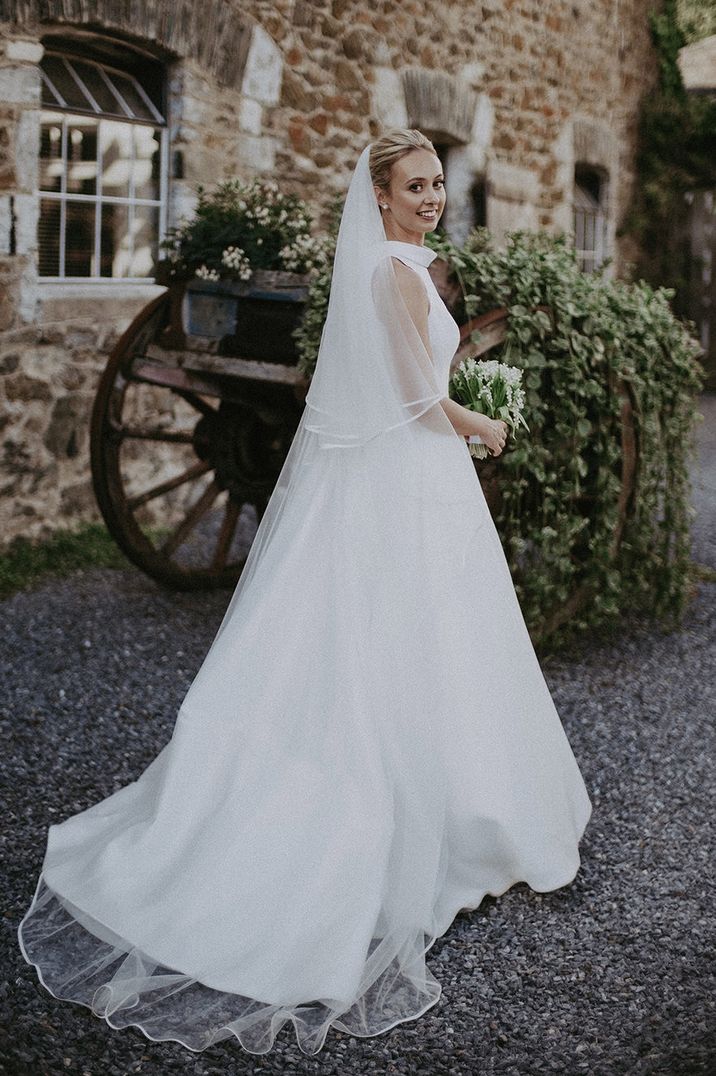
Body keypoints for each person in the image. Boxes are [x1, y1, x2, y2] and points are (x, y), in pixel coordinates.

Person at [18, 129, 592, 1058]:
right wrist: (481, 419)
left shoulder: (407, 266)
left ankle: (460, 800)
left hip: (400, 476)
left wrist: (461, 400)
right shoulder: (400, 276)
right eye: (415, 186)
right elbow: (414, 397)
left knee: (429, 635)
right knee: (418, 636)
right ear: (379, 197)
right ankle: (435, 813)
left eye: (439, 183)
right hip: (411, 470)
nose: (433, 197)